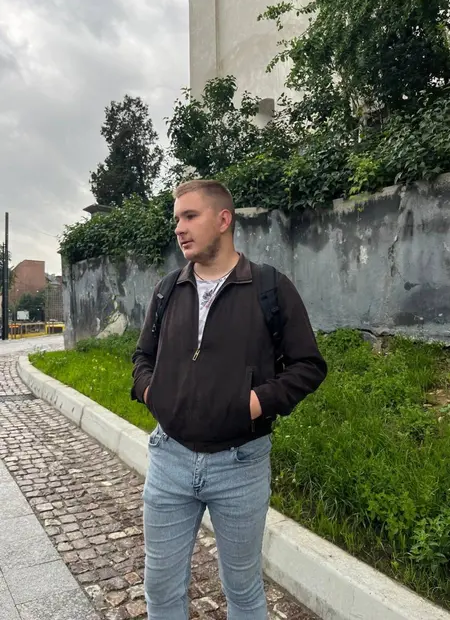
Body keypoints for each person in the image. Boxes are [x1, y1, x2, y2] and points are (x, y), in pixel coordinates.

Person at [131, 179, 327, 620]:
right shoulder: (167, 289)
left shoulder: (270, 287)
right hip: (169, 459)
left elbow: (308, 366)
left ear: (223, 220)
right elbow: (142, 357)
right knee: (160, 586)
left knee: (242, 588)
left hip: (241, 465)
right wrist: (152, 392)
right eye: (176, 218)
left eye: (190, 216)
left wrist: (252, 403)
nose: (179, 228)